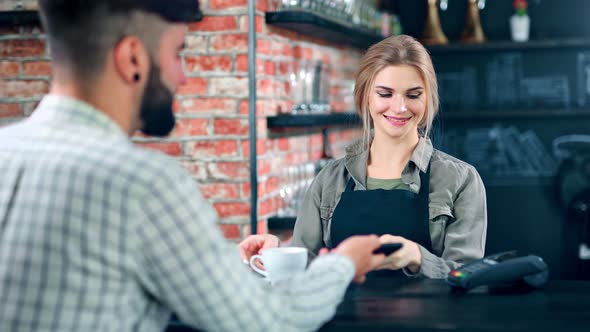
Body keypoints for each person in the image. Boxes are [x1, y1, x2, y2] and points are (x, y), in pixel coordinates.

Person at [0, 1, 386, 331]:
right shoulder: (142, 184)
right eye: (178, 53)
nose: (182, 76)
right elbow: (270, 321)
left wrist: (212, 264)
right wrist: (343, 264)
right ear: (132, 58)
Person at [241, 35, 487, 280]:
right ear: (365, 96)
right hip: (341, 318)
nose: (400, 107)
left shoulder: (460, 180)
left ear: (427, 99)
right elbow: (307, 272)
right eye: (385, 94)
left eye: (413, 95)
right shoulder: (330, 179)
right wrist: (275, 256)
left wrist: (418, 258)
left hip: (429, 319)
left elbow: (466, 277)